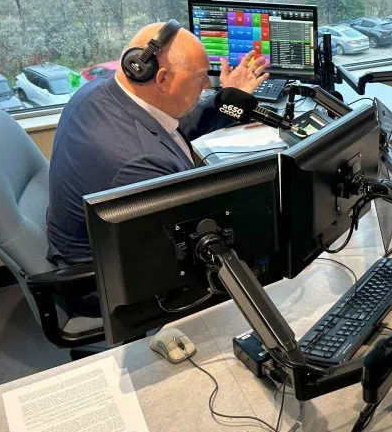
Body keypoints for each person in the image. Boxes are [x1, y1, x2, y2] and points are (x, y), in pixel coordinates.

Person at [47, 22, 267, 266]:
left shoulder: (99, 91)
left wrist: (229, 98)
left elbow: (170, 125)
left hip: (106, 241)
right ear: (161, 79)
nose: (206, 85)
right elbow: (190, 243)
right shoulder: (141, 163)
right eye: (200, 76)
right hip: (108, 281)